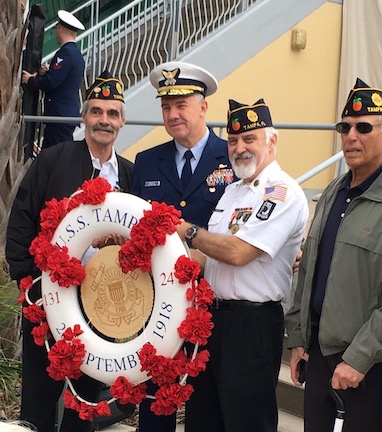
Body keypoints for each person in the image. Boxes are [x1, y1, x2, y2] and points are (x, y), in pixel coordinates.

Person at [284, 78, 382, 432]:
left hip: (368, 365)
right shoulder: (334, 190)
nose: (351, 136)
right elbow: (309, 271)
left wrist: (360, 358)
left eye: (363, 127)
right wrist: (298, 340)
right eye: (345, 127)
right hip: (319, 355)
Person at [6, 71, 133, 432]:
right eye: (96, 111)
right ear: (84, 116)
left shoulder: (130, 175)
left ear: (122, 120)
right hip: (49, 302)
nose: (103, 120)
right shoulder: (53, 160)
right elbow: (21, 222)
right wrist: (30, 284)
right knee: (40, 397)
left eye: (111, 113)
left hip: (102, 310)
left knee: (87, 399)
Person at [178, 98, 309, 432]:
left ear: (272, 141)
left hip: (251, 326)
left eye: (249, 139)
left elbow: (237, 253)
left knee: (246, 422)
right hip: (214, 321)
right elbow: (210, 258)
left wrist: (188, 231)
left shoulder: (282, 192)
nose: (239, 148)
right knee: (204, 420)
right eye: (233, 140)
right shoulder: (232, 191)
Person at [132, 61, 234, 432]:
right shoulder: (146, 163)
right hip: (158, 306)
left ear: (203, 106)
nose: (172, 115)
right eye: (165, 107)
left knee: (207, 409)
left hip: (213, 307)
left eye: (182, 105)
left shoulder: (232, 158)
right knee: (155, 407)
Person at [22, 10, 85, 149]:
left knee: (58, 157)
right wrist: (48, 72)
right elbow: (62, 78)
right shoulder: (76, 54)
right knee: (49, 157)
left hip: (60, 117)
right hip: (62, 116)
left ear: (60, 29)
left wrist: (31, 80)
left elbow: (52, 82)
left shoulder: (66, 53)